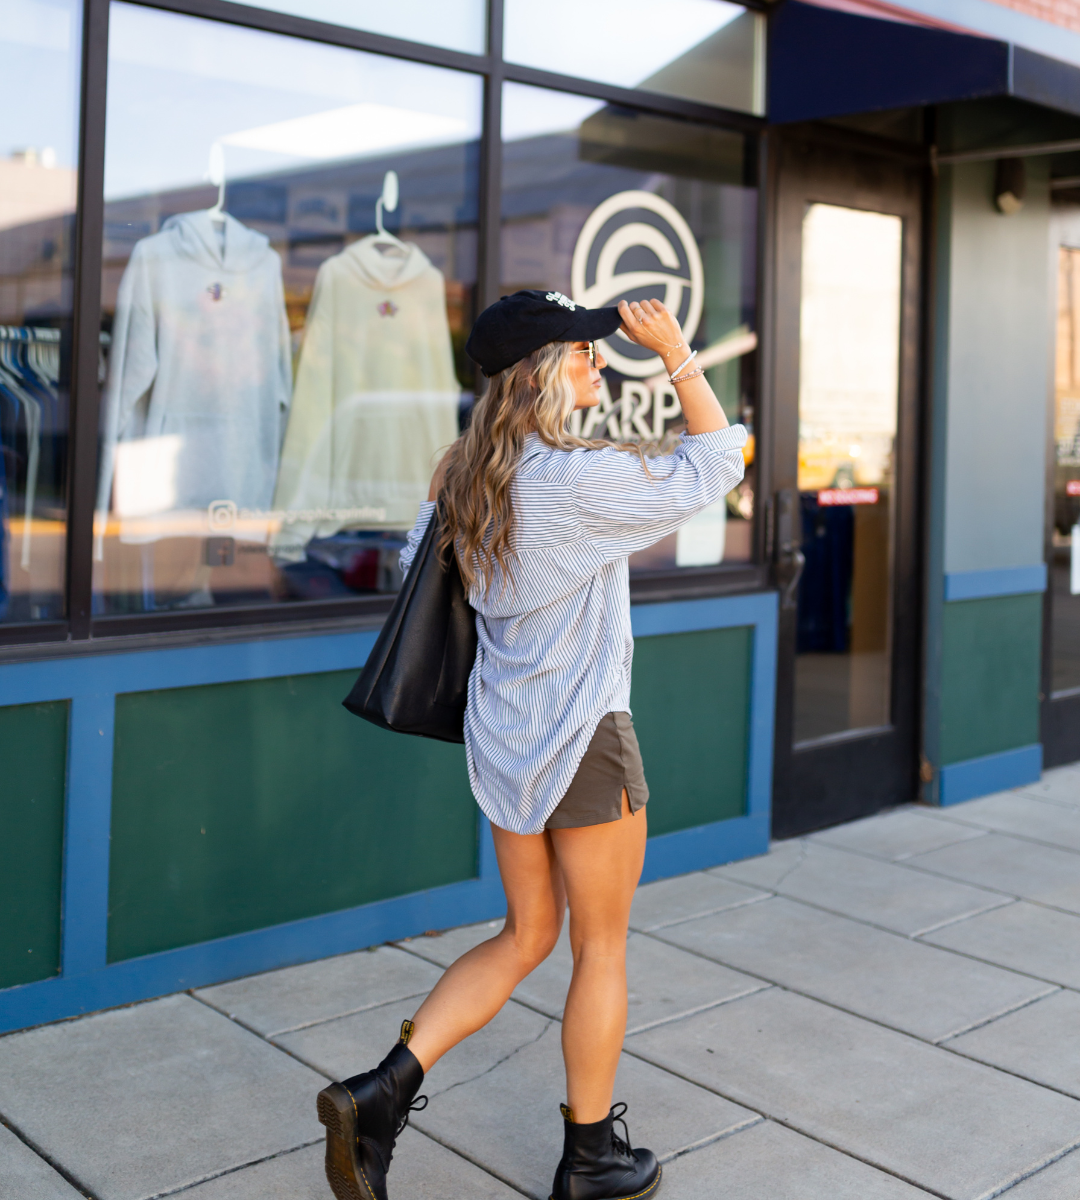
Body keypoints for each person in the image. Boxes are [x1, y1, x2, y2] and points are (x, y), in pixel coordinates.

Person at [317, 289, 747, 1200]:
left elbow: (418, 571)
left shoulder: (465, 474)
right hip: (586, 737)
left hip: (507, 740)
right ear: (542, 369)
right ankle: (589, 1160)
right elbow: (719, 462)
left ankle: (380, 1093)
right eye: (584, 352)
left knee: (525, 934)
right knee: (600, 950)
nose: (599, 362)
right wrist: (675, 355)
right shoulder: (573, 481)